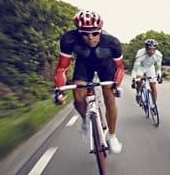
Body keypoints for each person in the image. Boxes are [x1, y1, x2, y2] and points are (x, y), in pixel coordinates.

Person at [53, 10, 124, 154]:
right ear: (79, 32)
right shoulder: (69, 39)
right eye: (85, 34)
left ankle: (112, 136)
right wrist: (60, 89)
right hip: (84, 65)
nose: (90, 38)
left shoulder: (112, 42)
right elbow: (62, 67)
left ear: (101, 31)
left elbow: (120, 68)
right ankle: (86, 121)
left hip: (106, 66)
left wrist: (117, 85)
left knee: (109, 97)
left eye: (95, 33)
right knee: (78, 98)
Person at [130, 39, 163, 110]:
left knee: (153, 85)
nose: (151, 52)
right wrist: (133, 79)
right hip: (140, 67)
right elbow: (135, 68)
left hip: (150, 67)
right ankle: (138, 94)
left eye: (153, 50)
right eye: (149, 49)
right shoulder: (140, 53)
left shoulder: (159, 55)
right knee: (139, 81)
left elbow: (158, 68)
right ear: (146, 49)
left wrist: (159, 76)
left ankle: (154, 105)